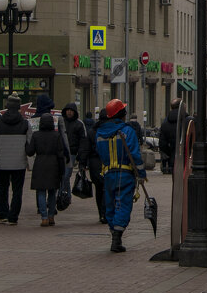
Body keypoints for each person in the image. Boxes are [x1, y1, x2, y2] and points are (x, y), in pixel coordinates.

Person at [95, 99, 144, 252]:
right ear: (122, 115)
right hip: (125, 174)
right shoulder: (127, 131)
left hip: (108, 173)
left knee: (109, 205)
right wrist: (141, 173)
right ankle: (117, 235)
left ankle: (113, 232)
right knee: (123, 204)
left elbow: (99, 153)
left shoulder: (100, 133)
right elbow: (135, 155)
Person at [0, 95, 32, 225]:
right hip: (19, 163)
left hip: (2, 163)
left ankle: (3, 214)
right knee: (17, 190)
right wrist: (30, 163)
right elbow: (29, 144)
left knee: (2, 188)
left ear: (7, 107)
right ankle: (13, 216)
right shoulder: (25, 124)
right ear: (19, 108)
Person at [27, 114, 69, 227]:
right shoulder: (56, 136)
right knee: (52, 192)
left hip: (40, 164)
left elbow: (30, 152)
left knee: (41, 192)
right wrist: (62, 170)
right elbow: (60, 154)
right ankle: (51, 216)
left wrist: (26, 143)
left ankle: (44, 217)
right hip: (54, 165)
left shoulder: (36, 135)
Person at [80, 110, 106, 224]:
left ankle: (101, 213)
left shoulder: (91, 131)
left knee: (99, 189)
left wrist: (82, 163)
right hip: (106, 162)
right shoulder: (111, 131)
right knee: (107, 188)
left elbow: (86, 149)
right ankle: (106, 212)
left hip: (94, 163)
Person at [59, 104, 85, 197]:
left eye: (71, 110)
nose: (69, 112)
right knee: (62, 176)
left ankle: (63, 195)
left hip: (72, 153)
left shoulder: (79, 124)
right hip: (61, 152)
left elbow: (83, 140)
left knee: (66, 175)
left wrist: (80, 154)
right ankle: (67, 196)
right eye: (68, 110)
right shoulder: (61, 122)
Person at [159, 99, 181, 174]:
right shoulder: (187, 121)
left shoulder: (165, 123)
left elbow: (162, 142)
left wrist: (168, 152)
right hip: (184, 159)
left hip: (172, 156)